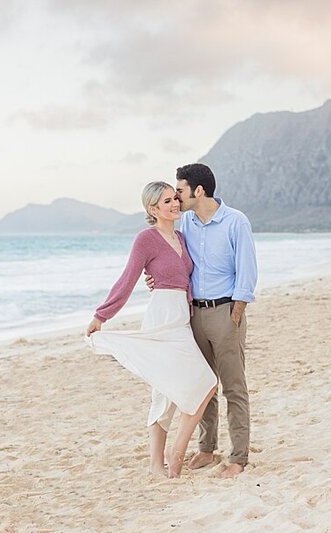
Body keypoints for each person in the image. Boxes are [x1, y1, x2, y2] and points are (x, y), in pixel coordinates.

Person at [85, 181, 217, 478]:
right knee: (163, 394)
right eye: (167, 201)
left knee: (205, 383)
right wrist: (101, 315)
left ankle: (176, 451)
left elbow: (186, 279)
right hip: (160, 319)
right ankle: (157, 464)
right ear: (153, 208)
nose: (174, 204)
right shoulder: (146, 239)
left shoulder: (183, 237)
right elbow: (128, 279)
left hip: (181, 321)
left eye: (175, 199)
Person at [147, 163, 257, 478]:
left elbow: (247, 273)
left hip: (225, 313)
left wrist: (235, 315)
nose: (176, 198)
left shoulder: (236, 222)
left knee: (233, 387)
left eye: (179, 191)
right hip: (193, 313)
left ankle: (238, 457)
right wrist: (156, 280)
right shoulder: (187, 226)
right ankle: (207, 449)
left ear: (198, 191)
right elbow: (174, 261)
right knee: (202, 385)